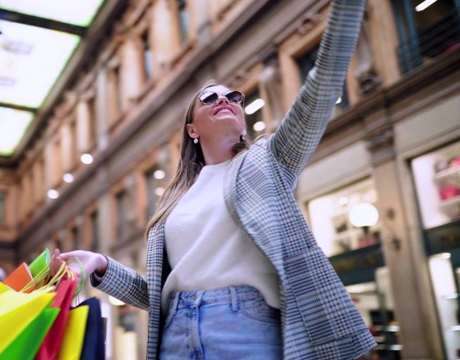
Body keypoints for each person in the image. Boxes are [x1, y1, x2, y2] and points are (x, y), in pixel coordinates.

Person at [51, 0, 376, 358]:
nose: (225, 99)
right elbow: (157, 296)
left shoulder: (268, 160)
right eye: (210, 98)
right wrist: (101, 265)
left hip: (247, 326)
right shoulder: (174, 202)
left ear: (241, 116)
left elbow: (322, 88)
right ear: (191, 128)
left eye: (233, 96)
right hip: (176, 331)